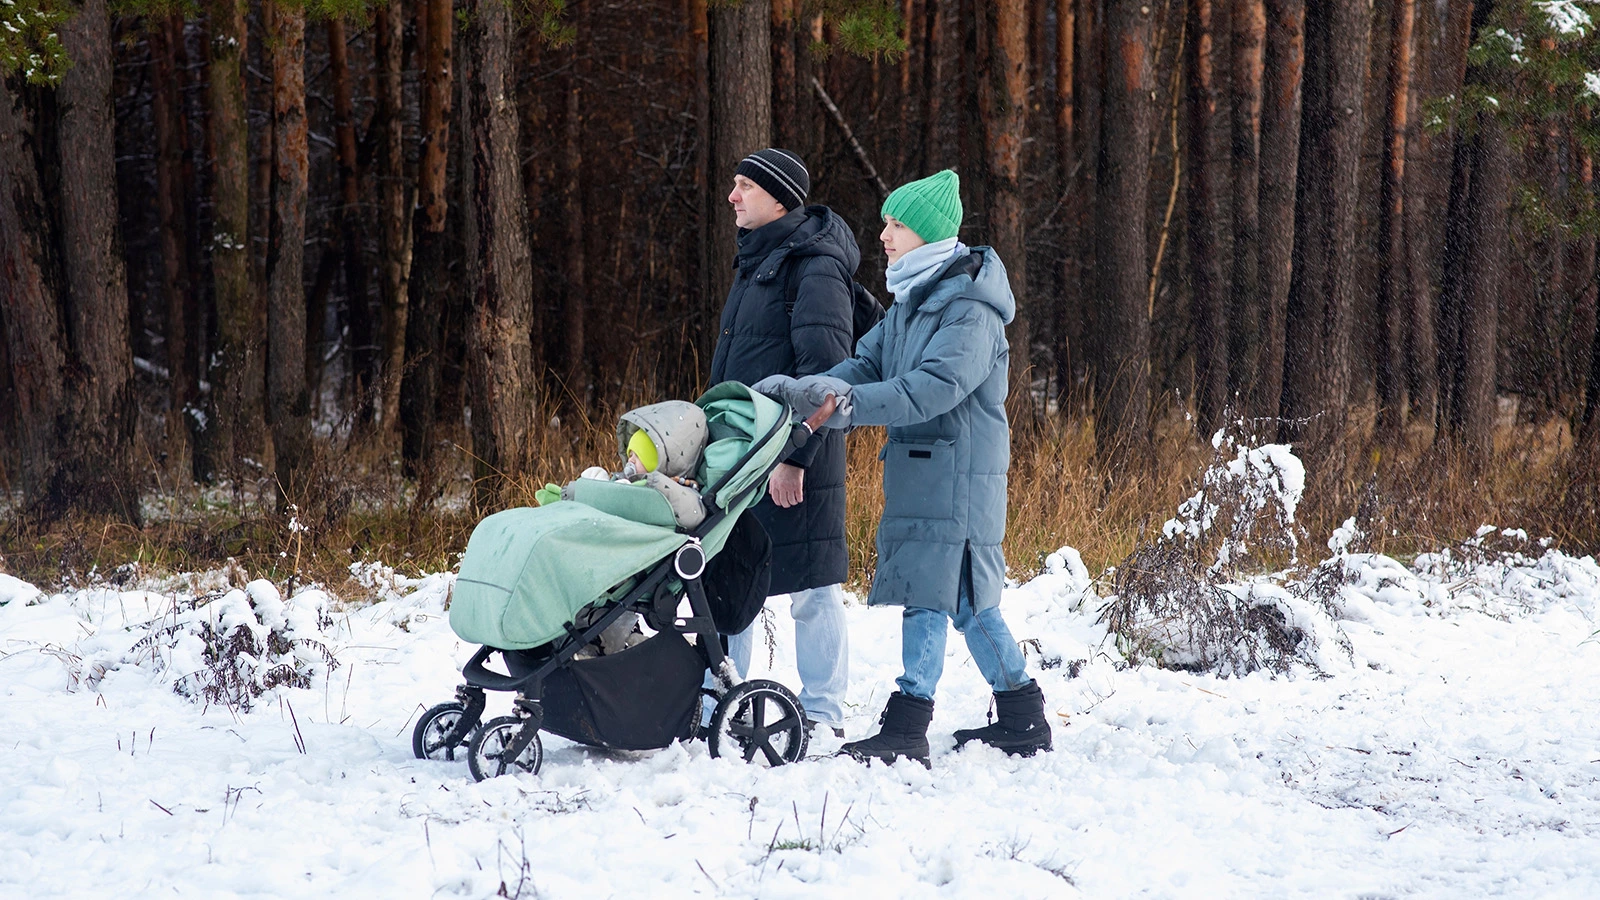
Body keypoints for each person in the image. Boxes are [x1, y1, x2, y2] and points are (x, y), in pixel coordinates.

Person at [757, 169, 1051, 764]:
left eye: (896, 225)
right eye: (885, 223)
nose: (884, 235)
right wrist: (804, 391)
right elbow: (865, 364)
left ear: (929, 234)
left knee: (930, 596)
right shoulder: (912, 302)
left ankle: (908, 724)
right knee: (968, 605)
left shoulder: (969, 310)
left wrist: (847, 406)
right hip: (925, 473)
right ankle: (1022, 717)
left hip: (959, 480)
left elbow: (932, 387)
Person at [707, 148, 857, 736]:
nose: (732, 196)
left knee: (812, 588)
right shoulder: (757, 259)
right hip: (745, 456)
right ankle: (723, 703)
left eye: (745, 186)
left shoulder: (814, 266)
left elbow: (829, 377)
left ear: (779, 199)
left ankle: (823, 712)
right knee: (731, 575)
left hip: (797, 454)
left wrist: (796, 457)